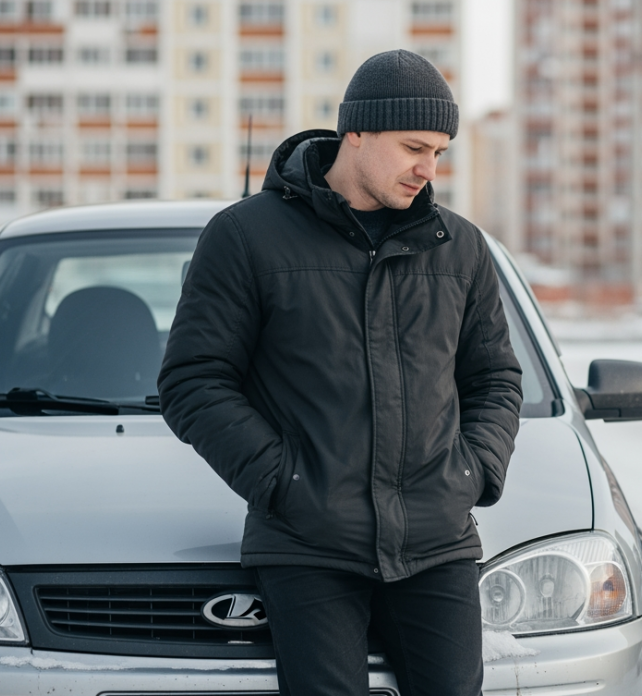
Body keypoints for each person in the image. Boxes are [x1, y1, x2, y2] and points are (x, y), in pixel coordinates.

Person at [158, 50, 524, 696]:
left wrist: (472, 472)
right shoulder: (246, 237)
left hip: (437, 541)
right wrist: (284, 480)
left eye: (439, 153)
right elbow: (194, 379)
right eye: (414, 147)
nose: (428, 169)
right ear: (356, 132)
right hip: (308, 544)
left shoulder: (459, 248)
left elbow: (495, 378)